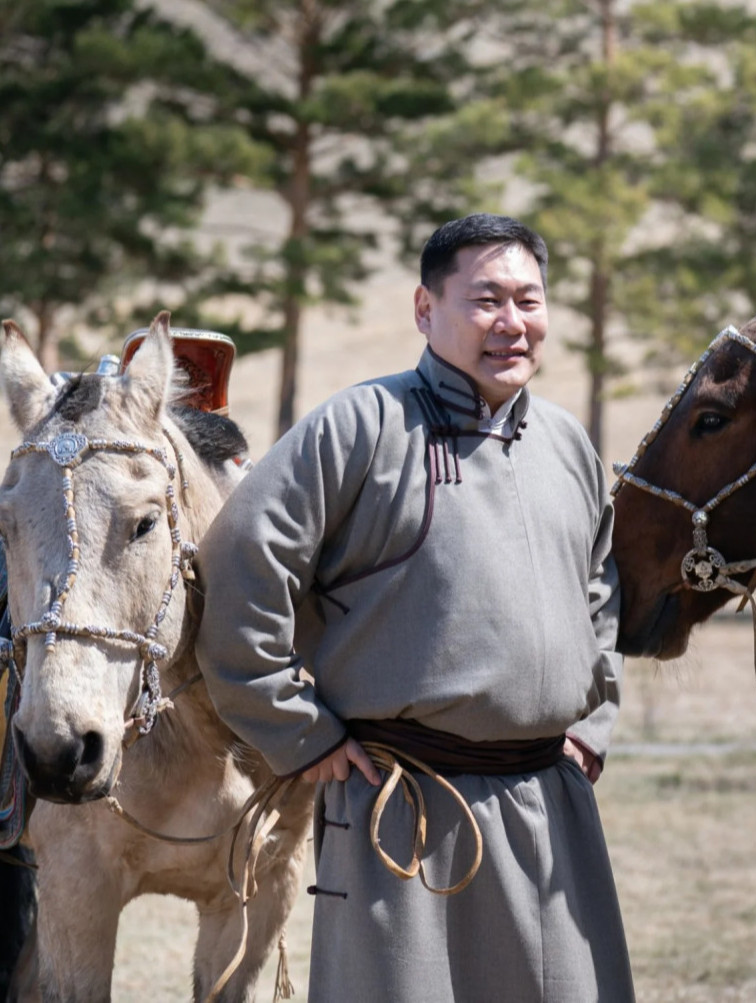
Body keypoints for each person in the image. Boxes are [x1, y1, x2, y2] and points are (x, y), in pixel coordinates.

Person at [196, 213, 635, 1002]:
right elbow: (238, 566)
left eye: (529, 301)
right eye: (486, 300)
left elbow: (599, 589)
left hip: (550, 801)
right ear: (425, 310)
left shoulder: (568, 444)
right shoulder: (357, 428)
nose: (512, 324)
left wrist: (590, 720)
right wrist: (302, 733)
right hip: (400, 809)